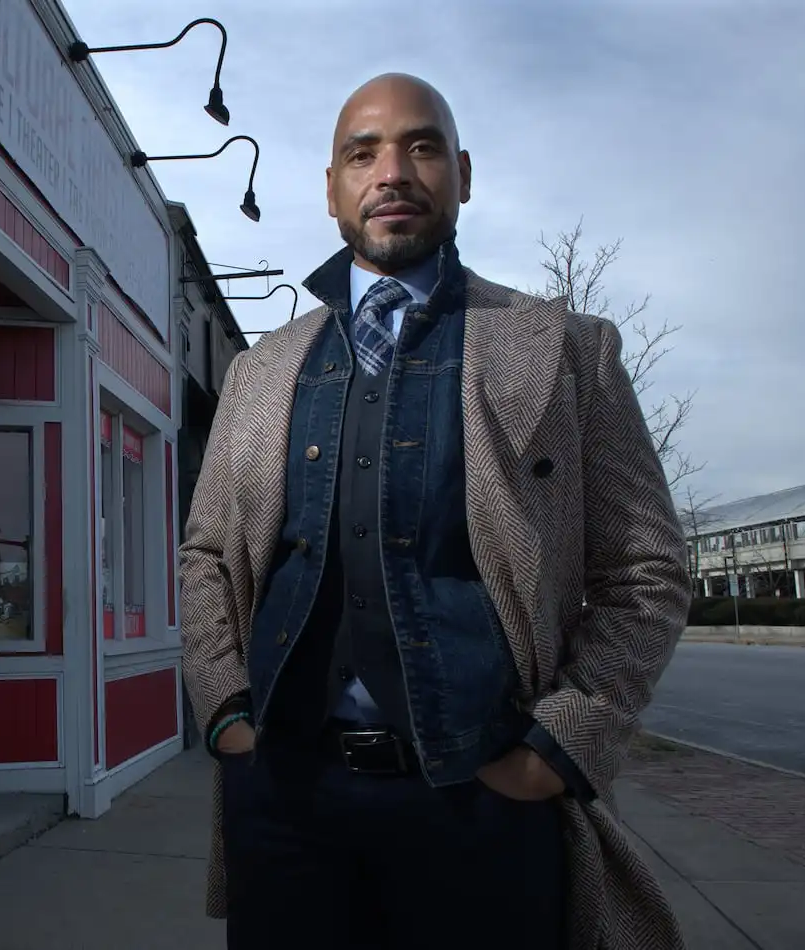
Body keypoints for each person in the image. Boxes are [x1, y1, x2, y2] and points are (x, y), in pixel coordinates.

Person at [179, 73, 691, 950]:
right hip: (286, 802)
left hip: (483, 804)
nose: (393, 171)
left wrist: (558, 746)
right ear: (333, 190)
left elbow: (645, 568)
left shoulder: (569, 351)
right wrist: (226, 712)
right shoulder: (261, 372)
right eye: (363, 152)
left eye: (420, 147)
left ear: (461, 173)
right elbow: (205, 558)